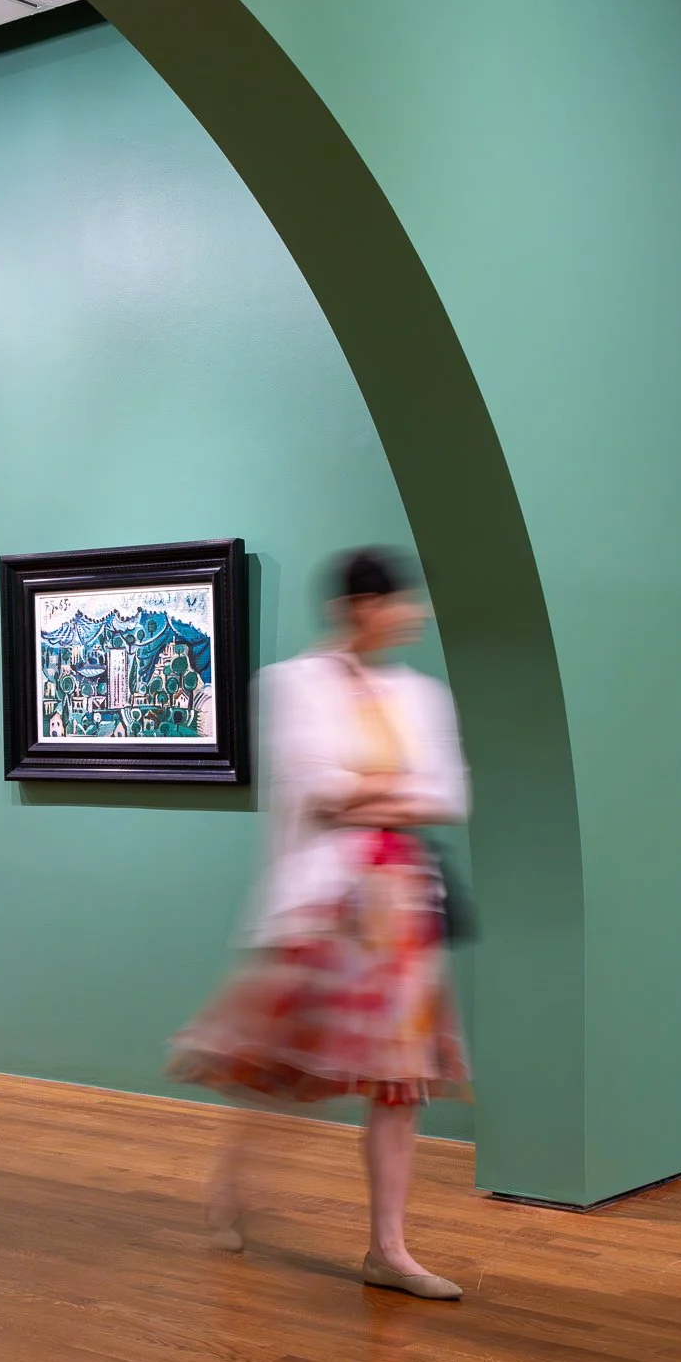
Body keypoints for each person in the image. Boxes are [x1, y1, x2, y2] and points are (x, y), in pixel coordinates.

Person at [168, 547, 472, 1300]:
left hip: (400, 904)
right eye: (399, 601)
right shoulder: (291, 686)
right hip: (323, 903)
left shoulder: (420, 697)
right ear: (359, 607)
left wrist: (372, 792)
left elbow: (446, 795)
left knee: (401, 1082)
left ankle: (389, 1250)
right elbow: (318, 788)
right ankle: (233, 1188)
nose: (412, 615)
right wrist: (386, 789)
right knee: (284, 1068)